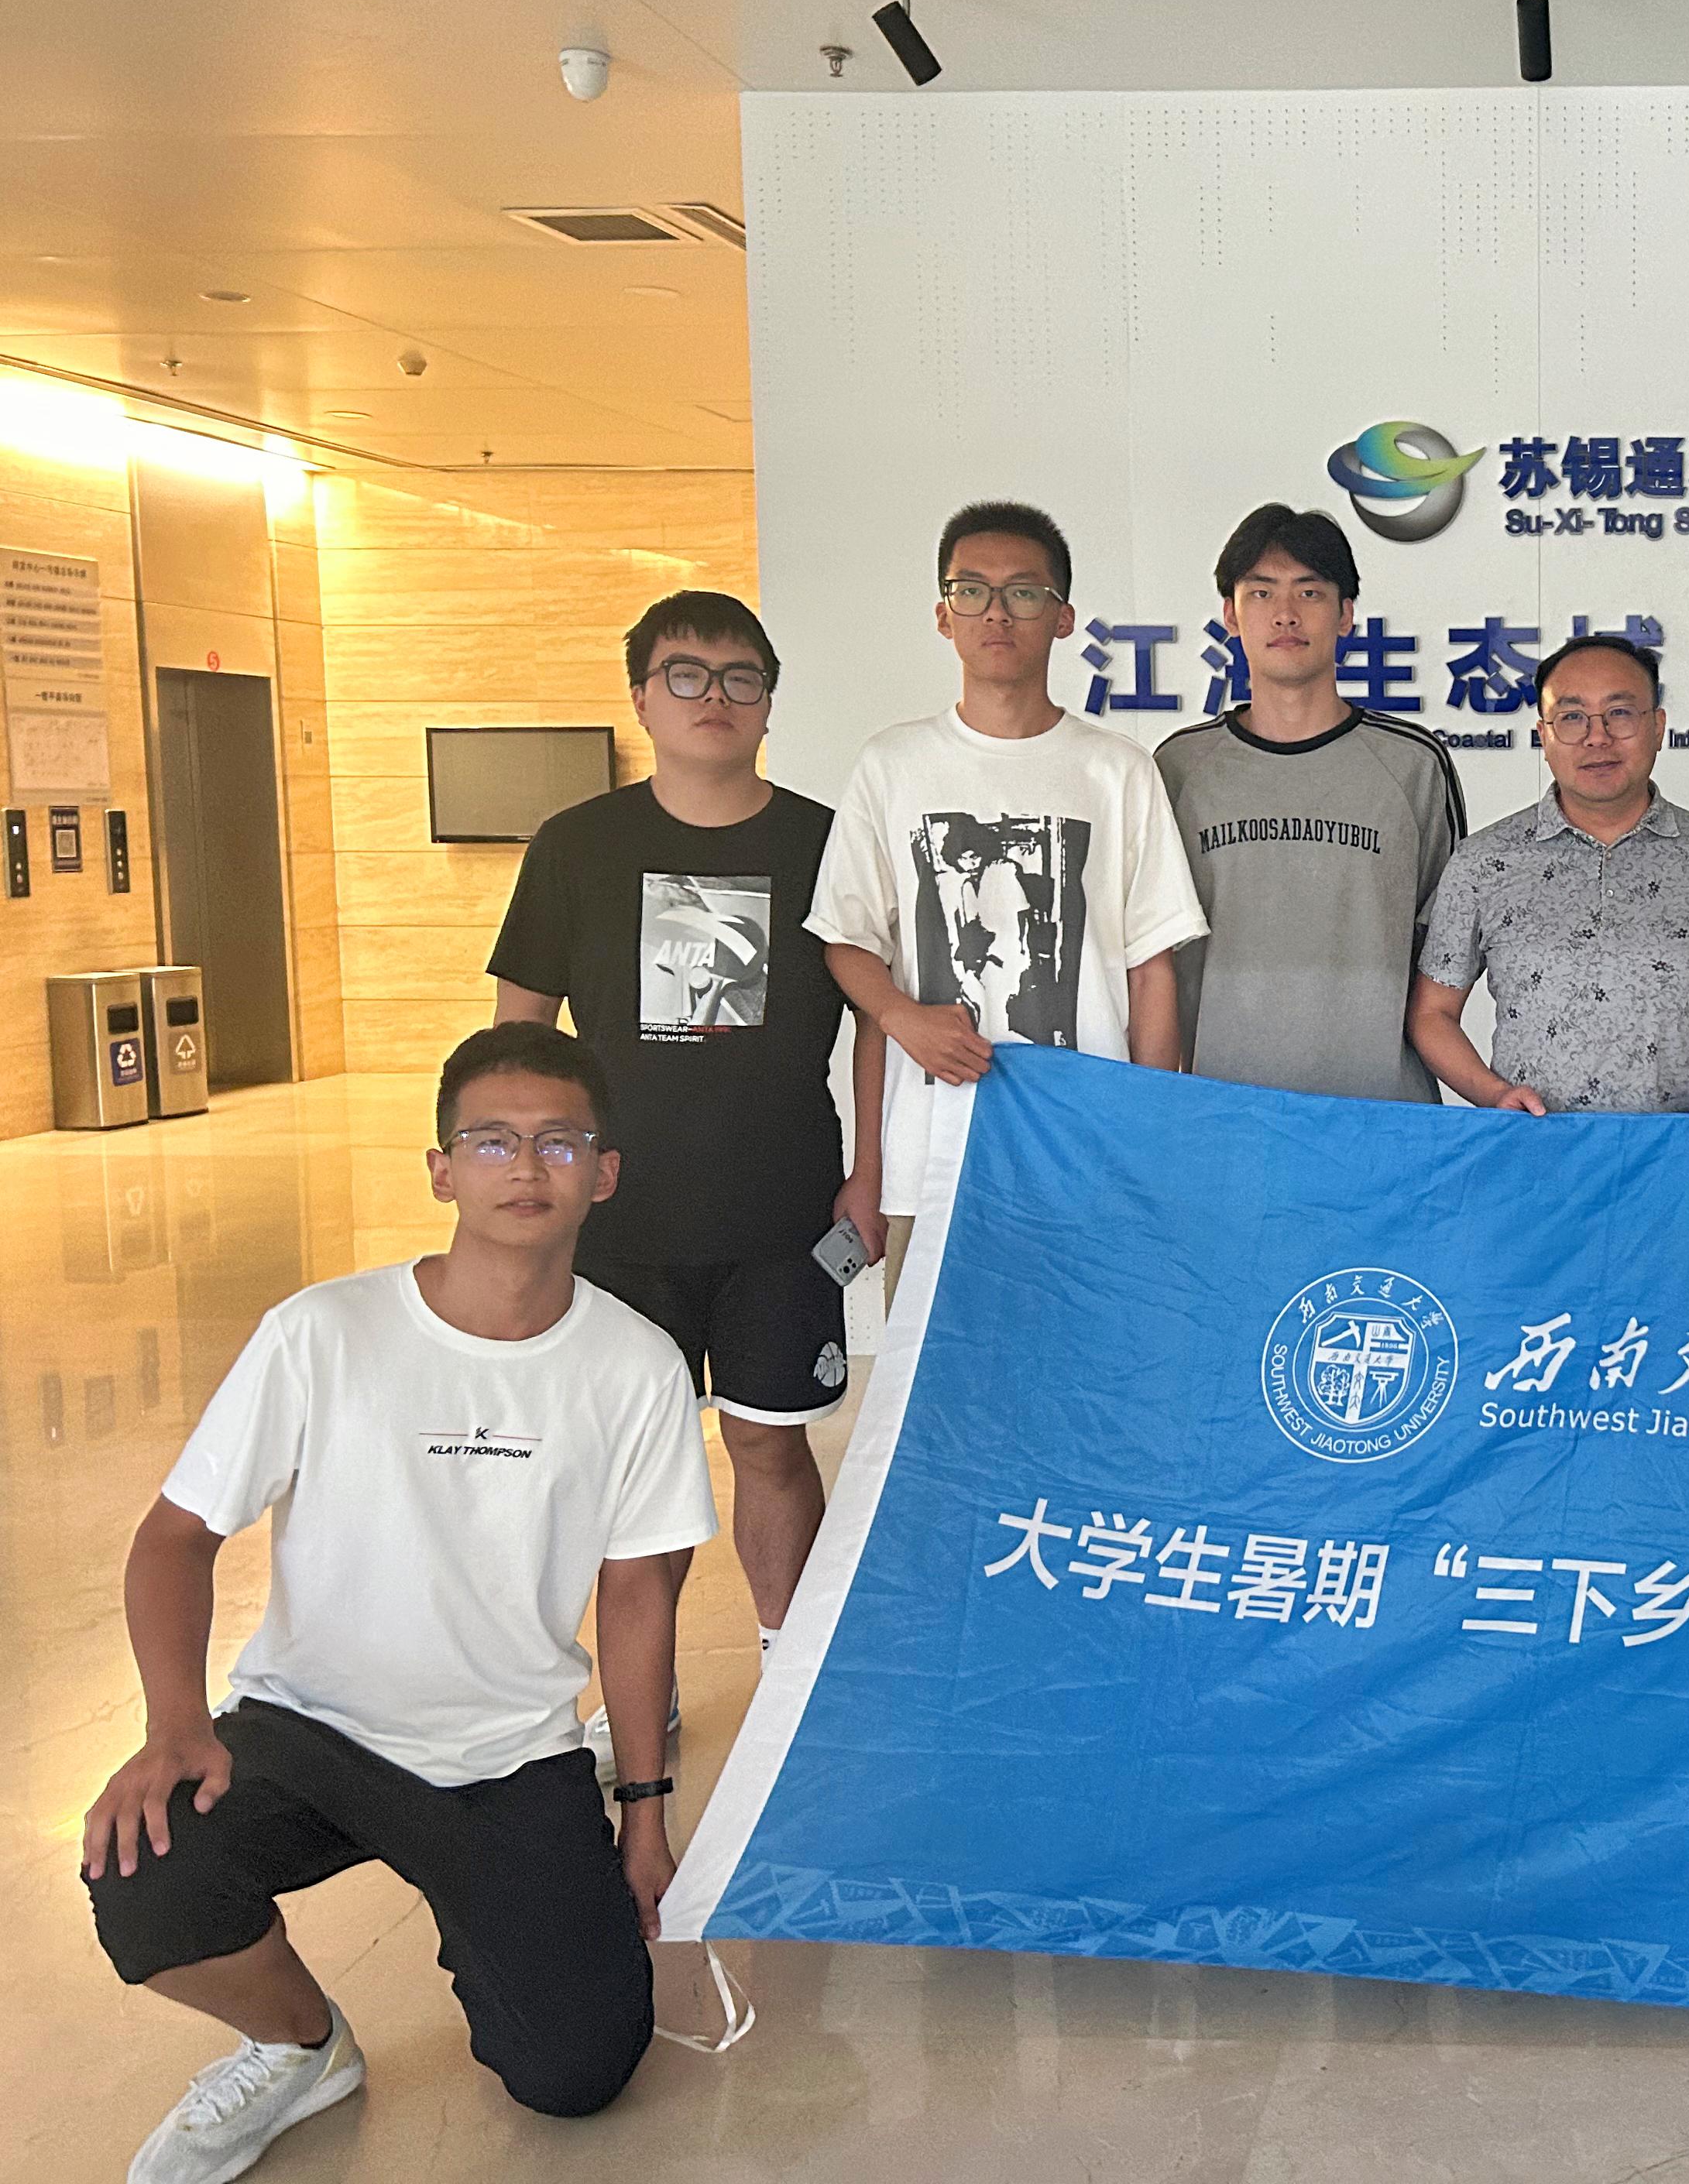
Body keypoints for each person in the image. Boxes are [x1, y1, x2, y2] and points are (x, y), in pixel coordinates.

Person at [80, 1025, 718, 2179]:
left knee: (577, 2073)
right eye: (491, 1142)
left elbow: (636, 1599)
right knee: (144, 1869)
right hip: (308, 1729)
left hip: (506, 1757)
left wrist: (644, 1815)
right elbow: (175, 1539)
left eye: (560, 1142)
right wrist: (173, 1726)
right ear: (441, 1171)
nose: (526, 1168)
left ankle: (497, 1924)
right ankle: (300, 2047)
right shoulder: (323, 1332)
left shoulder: (637, 1367)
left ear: (605, 1173)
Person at [490, 589, 881, 1696]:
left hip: (782, 1210)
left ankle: (791, 1678)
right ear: (641, 698)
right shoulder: (577, 846)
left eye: (740, 677)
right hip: (619, 1219)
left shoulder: (827, 844)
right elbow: (517, 1037)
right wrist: (520, 1183)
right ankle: (638, 1693)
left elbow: (874, 1024)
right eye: (686, 675)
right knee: (632, 1466)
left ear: (770, 701)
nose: (716, 697)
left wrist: (870, 1175)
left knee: (771, 1443)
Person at [808, 502, 1207, 1292]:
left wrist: (1148, 1135)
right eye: (971, 591)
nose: (996, 613)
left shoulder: (1117, 771)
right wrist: (902, 1020)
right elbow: (848, 943)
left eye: (1024, 592)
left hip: (1087, 1159)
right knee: (933, 1371)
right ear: (943, 615)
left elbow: (1152, 969)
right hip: (932, 1160)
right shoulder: (892, 764)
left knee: (1093, 1364)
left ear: (1062, 618)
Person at [1155, 504, 1464, 1099]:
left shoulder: (1414, 765)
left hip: (1380, 1109)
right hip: (1224, 1108)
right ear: (1230, 614)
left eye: (1310, 592)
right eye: (1261, 593)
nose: (1286, 614)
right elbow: (1152, 959)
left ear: (1346, 614)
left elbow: (1446, 943)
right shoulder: (1179, 768)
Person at [1409, 634, 1689, 1116]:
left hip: (1676, 1144)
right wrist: (1493, 1095)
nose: (1598, 737)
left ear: (1658, 727)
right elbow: (1432, 1013)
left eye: (1620, 713)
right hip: (1534, 1143)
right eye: (1572, 717)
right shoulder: (1484, 862)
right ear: (1544, 735)